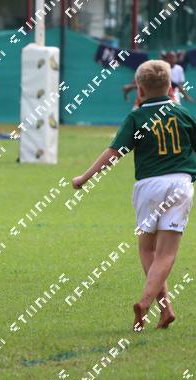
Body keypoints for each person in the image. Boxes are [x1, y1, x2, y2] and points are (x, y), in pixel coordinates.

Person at [72, 59, 196, 331]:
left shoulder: (137, 117)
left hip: (148, 187)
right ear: (170, 86)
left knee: (147, 249)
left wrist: (84, 177)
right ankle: (154, 305)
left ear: (139, 89)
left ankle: (158, 307)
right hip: (180, 184)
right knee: (166, 254)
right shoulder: (184, 114)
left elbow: (113, 152)